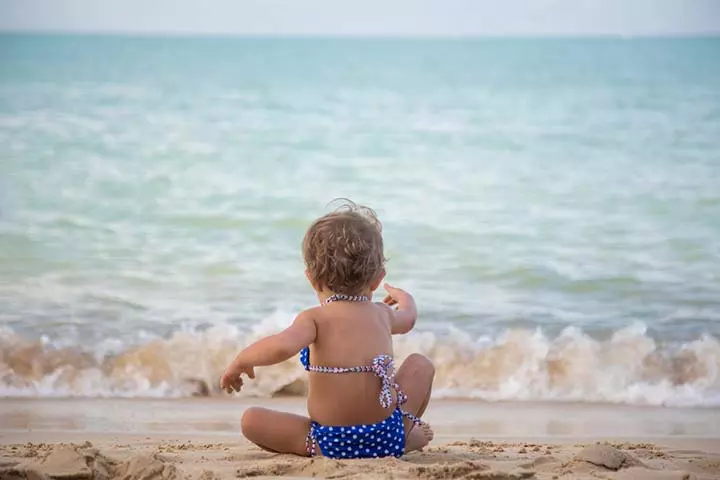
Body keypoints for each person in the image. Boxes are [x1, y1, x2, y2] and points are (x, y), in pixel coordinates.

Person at [220, 201, 434, 458]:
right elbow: (408, 319)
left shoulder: (314, 319)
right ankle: (403, 433)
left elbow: (281, 345)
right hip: (384, 435)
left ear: (311, 278)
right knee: (421, 365)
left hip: (327, 442)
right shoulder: (383, 314)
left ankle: (326, 449)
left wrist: (241, 360)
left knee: (250, 420)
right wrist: (404, 297)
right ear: (378, 279)